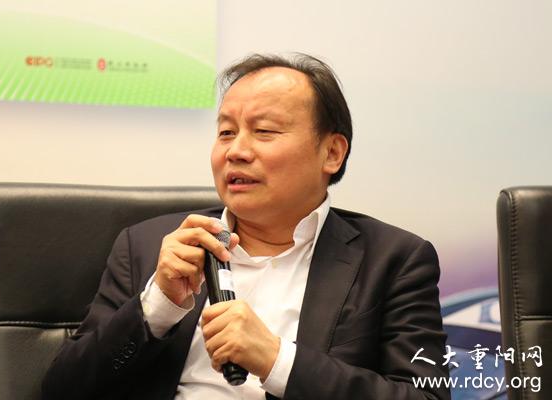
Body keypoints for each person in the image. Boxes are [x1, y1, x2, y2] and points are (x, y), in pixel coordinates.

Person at [42, 53, 450, 400]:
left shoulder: (393, 260)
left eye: (264, 131)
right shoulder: (148, 246)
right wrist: (158, 307)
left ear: (332, 152)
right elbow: (63, 390)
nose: (236, 151)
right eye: (226, 132)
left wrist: (277, 360)